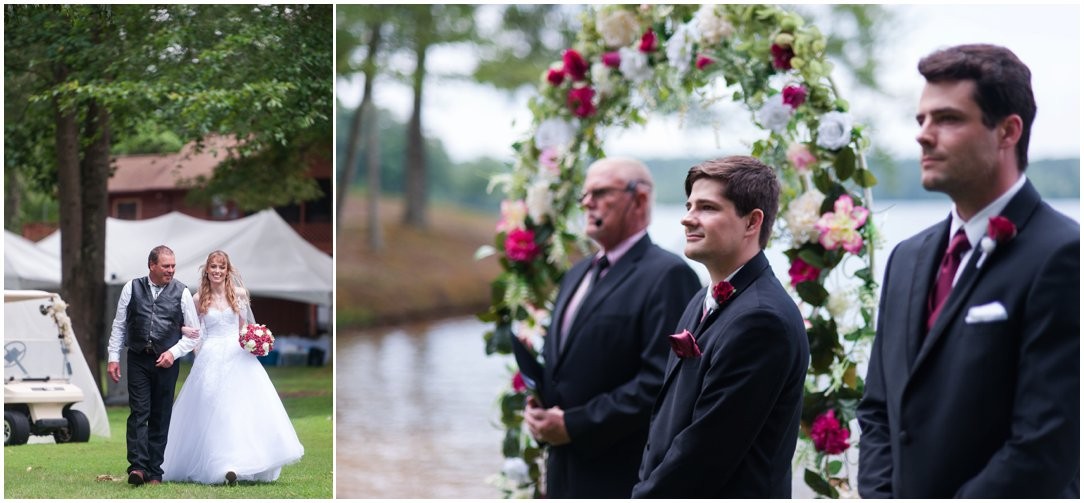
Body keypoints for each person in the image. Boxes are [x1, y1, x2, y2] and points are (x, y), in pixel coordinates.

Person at [857, 44, 1079, 498]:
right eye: (921, 120)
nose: (923, 134)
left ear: (1007, 131)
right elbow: (879, 411)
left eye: (948, 119)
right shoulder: (905, 258)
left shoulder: (1062, 255)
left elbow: (1043, 445)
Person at [518, 157, 700, 498]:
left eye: (600, 192)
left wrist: (575, 424)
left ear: (640, 199)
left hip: (620, 476)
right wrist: (541, 407)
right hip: (563, 473)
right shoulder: (576, 274)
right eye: (585, 194)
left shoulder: (668, 275)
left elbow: (661, 383)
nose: (587, 202)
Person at [633, 156, 808, 498]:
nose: (687, 218)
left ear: (751, 222)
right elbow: (667, 426)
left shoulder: (762, 320)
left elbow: (705, 452)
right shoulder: (703, 297)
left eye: (707, 207)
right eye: (688, 205)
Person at [162, 250, 304, 485]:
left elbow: (245, 327)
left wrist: (256, 340)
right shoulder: (198, 299)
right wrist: (197, 355)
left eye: (221, 267)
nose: (217, 271)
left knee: (241, 408)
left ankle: (239, 463)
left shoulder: (238, 294)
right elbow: (194, 332)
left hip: (238, 355)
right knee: (213, 410)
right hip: (210, 356)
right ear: (206, 270)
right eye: (213, 267)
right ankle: (220, 465)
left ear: (227, 271)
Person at [108, 245, 201, 486]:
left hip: (166, 362)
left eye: (173, 266)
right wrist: (113, 357)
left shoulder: (181, 293)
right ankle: (137, 467)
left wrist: (173, 353)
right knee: (139, 413)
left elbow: (193, 335)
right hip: (138, 358)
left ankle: (155, 472)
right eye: (166, 266)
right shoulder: (132, 287)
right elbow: (119, 324)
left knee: (161, 415)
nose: (171, 270)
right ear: (152, 265)